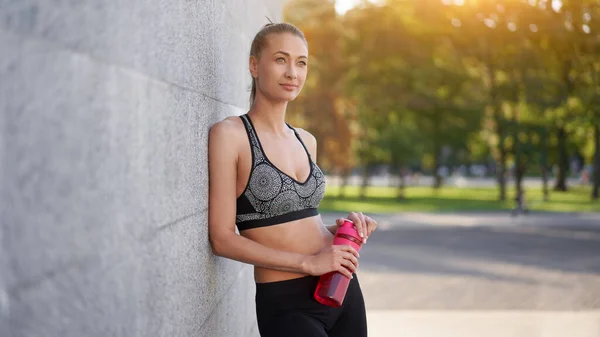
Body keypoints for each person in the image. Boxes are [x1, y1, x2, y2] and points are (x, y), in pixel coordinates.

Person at [207, 22, 377, 337]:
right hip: (287, 305)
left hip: (342, 288)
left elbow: (292, 222)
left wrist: (339, 231)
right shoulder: (231, 135)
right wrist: (307, 263)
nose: (293, 73)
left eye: (301, 63)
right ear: (254, 65)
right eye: (281, 59)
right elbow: (222, 238)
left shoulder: (305, 140)